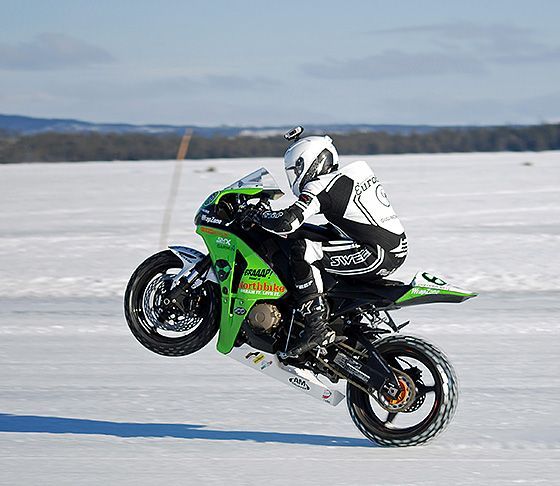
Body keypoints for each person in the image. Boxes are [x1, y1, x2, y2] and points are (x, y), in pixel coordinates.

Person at [247, 127, 407, 357]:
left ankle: (316, 327)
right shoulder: (347, 178)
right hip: (389, 248)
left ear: (314, 161)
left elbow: (287, 223)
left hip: (375, 253)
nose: (295, 175)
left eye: (297, 168)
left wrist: (257, 215)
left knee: (302, 252)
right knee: (308, 236)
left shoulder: (322, 185)